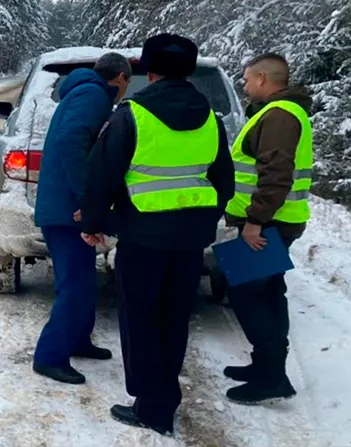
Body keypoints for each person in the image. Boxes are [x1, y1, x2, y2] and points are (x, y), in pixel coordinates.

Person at [78, 34, 235, 435]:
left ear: (151, 71)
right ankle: (164, 397)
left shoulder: (132, 115)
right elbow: (224, 182)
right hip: (189, 242)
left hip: (143, 239)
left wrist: (93, 224)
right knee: (174, 318)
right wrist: (202, 220)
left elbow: (102, 176)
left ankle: (152, 406)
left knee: (141, 320)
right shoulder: (212, 120)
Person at [31, 52, 132, 385]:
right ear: (119, 77)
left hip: (66, 205)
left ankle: (78, 340)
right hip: (66, 209)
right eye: (126, 83)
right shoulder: (92, 95)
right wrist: (87, 200)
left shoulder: (85, 93)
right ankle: (49, 356)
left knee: (84, 281)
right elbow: (72, 141)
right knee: (74, 286)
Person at [222, 52, 312, 405]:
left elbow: (276, 175)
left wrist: (255, 221)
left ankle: (272, 375)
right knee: (270, 291)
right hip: (276, 220)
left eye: (246, 79)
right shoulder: (284, 112)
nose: (244, 85)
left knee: (248, 294)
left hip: (267, 222)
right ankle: (266, 366)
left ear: (262, 78)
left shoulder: (278, 116)